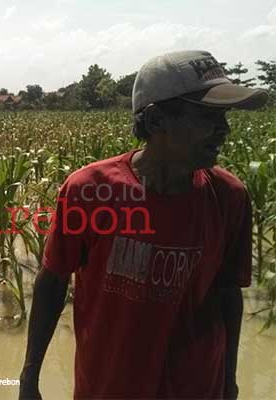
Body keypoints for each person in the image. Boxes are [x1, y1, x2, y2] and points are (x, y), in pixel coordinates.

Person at [19, 50, 268, 399]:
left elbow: (228, 295)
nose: (224, 130)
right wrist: (29, 377)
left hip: (198, 388)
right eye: (207, 116)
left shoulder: (230, 196)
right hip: (109, 387)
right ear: (155, 122)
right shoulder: (90, 191)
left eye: (224, 116)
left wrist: (229, 381)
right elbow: (53, 280)